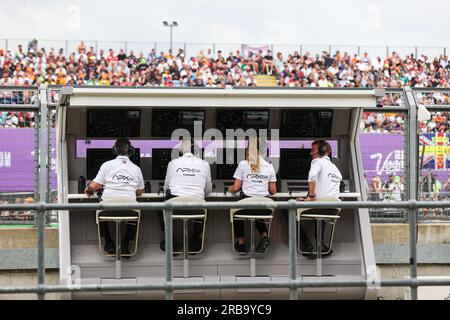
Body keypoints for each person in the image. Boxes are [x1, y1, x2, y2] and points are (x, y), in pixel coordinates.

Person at [84, 138, 144, 256]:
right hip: (130, 211)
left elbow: (95, 185)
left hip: (108, 210)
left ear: (114, 150)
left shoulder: (107, 165)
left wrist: (89, 188)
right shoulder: (136, 169)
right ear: (130, 151)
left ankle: (108, 242)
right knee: (137, 210)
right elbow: (140, 191)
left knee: (96, 209)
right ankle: (126, 243)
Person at [160, 139, 212, 252]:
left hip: (175, 208)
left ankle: (170, 241)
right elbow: (207, 190)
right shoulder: (205, 164)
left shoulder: (173, 163)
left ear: (180, 151)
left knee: (160, 208)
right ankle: (195, 240)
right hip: (197, 209)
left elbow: (166, 188)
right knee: (207, 208)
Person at [228, 137, 277, 253]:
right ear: (264, 151)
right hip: (265, 209)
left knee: (236, 210)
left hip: (247, 206)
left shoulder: (243, 164)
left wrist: (229, 188)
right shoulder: (270, 167)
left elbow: (236, 188)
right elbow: (273, 191)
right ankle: (264, 236)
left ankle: (241, 243)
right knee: (257, 209)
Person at [296, 140, 342, 257]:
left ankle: (305, 243)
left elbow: (312, 176)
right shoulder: (336, 169)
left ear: (322, 151)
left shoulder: (317, 162)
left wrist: (311, 196)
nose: (311, 154)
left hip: (319, 208)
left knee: (287, 208)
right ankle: (320, 243)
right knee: (320, 207)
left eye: (313, 150)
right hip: (333, 210)